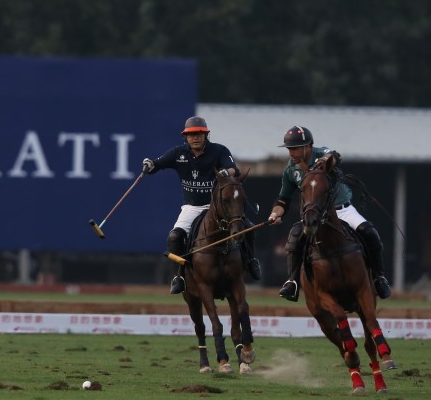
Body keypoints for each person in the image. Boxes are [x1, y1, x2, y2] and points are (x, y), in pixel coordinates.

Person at [266, 125, 392, 302]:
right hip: (314, 216)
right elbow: (283, 200)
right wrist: (275, 214)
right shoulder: (290, 170)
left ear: (308, 146)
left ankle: (379, 277)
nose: (291, 153)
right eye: (289, 149)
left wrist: (325, 160)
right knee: (294, 237)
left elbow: (334, 155)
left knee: (370, 232)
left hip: (342, 210)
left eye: (294, 148)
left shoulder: (320, 154)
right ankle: (292, 282)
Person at [141, 116, 262, 294]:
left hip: (217, 207)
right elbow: (157, 164)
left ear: (206, 135)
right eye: (191, 135)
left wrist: (224, 171)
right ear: (186, 137)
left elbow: (233, 169)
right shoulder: (178, 153)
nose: (195, 138)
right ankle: (179, 276)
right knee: (174, 237)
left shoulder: (219, 151)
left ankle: (251, 260)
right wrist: (149, 164)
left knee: (248, 227)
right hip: (192, 207)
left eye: (199, 134)